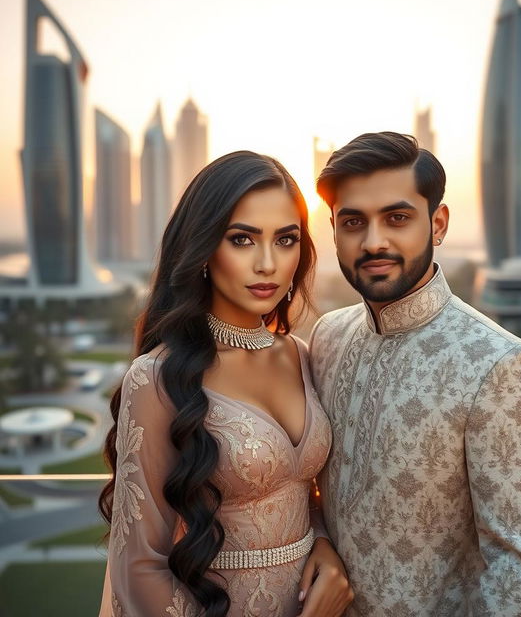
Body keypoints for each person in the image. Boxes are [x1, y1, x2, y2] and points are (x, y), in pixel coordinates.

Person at [309, 132, 521, 616]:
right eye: (353, 222)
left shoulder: (501, 365)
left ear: (438, 223)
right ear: (335, 231)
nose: (374, 241)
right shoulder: (327, 338)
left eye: (397, 217)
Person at [98, 151, 353, 617]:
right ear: (203, 248)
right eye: (242, 239)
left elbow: (305, 491)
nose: (268, 263)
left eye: (286, 239)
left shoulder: (299, 354)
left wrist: (322, 544)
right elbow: (138, 570)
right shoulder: (157, 379)